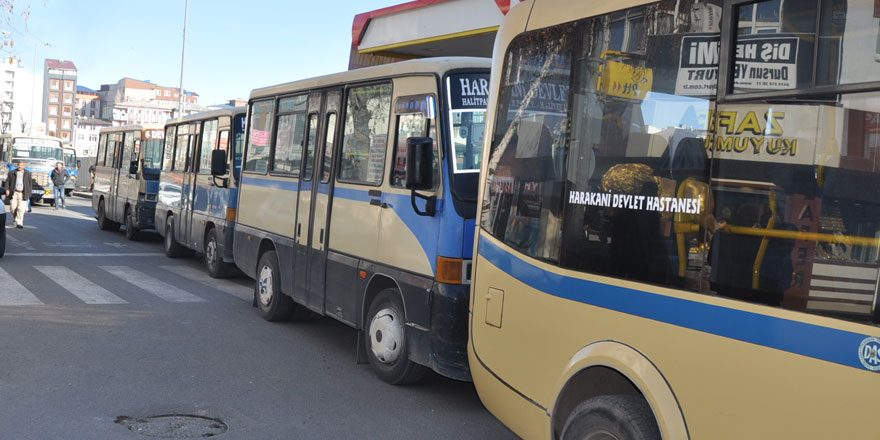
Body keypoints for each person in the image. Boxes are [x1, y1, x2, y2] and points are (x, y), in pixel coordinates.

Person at [5, 161, 32, 228]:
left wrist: (29, 193)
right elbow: (7, 182)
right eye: (19, 165)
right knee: (13, 208)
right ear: (17, 165)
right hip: (14, 193)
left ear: (24, 166)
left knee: (21, 208)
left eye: (22, 165)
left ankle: (19, 223)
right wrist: (7, 189)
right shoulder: (12, 173)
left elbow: (30, 184)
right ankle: (15, 219)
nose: (20, 166)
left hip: (23, 193)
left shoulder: (28, 173)